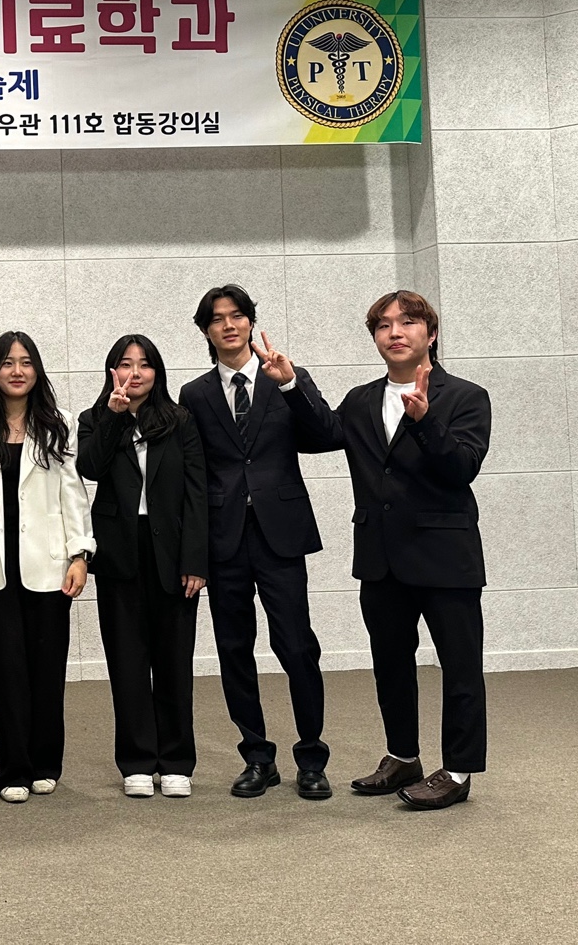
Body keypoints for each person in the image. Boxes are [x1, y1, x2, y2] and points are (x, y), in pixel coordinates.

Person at [264, 290, 491, 811]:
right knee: (390, 664)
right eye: (384, 325)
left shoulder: (466, 396)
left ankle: (458, 771)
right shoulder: (362, 399)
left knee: (460, 668)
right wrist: (292, 383)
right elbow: (320, 434)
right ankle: (403, 756)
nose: (395, 332)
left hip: (446, 556)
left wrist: (425, 421)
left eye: (408, 322)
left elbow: (462, 468)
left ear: (431, 334)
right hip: (380, 557)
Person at [177, 285, 338, 801]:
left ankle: (311, 758)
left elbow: (327, 435)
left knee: (297, 646)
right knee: (234, 649)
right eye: (217, 319)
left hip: (280, 535)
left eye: (237, 316)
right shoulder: (195, 394)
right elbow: (192, 475)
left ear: (250, 322)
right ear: (206, 331)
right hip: (223, 539)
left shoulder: (286, 376)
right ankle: (257, 757)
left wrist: (289, 384)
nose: (228, 325)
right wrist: (193, 552)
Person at [0, 331, 93, 803]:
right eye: (8, 362)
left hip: (49, 565)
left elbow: (73, 494)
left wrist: (80, 555)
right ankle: (12, 768)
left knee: (47, 669)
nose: (17, 370)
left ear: (37, 370)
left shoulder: (59, 423)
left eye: (26, 362)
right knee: (4, 671)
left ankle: (45, 762)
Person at [77, 335, 208, 799]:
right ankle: (135, 761)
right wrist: (114, 416)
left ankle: (176, 761)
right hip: (120, 552)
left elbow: (197, 491)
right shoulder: (94, 419)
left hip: (172, 552)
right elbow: (90, 468)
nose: (135, 373)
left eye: (145, 364)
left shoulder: (180, 421)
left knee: (174, 660)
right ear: (111, 370)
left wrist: (195, 559)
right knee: (127, 661)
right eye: (126, 364)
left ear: (157, 372)